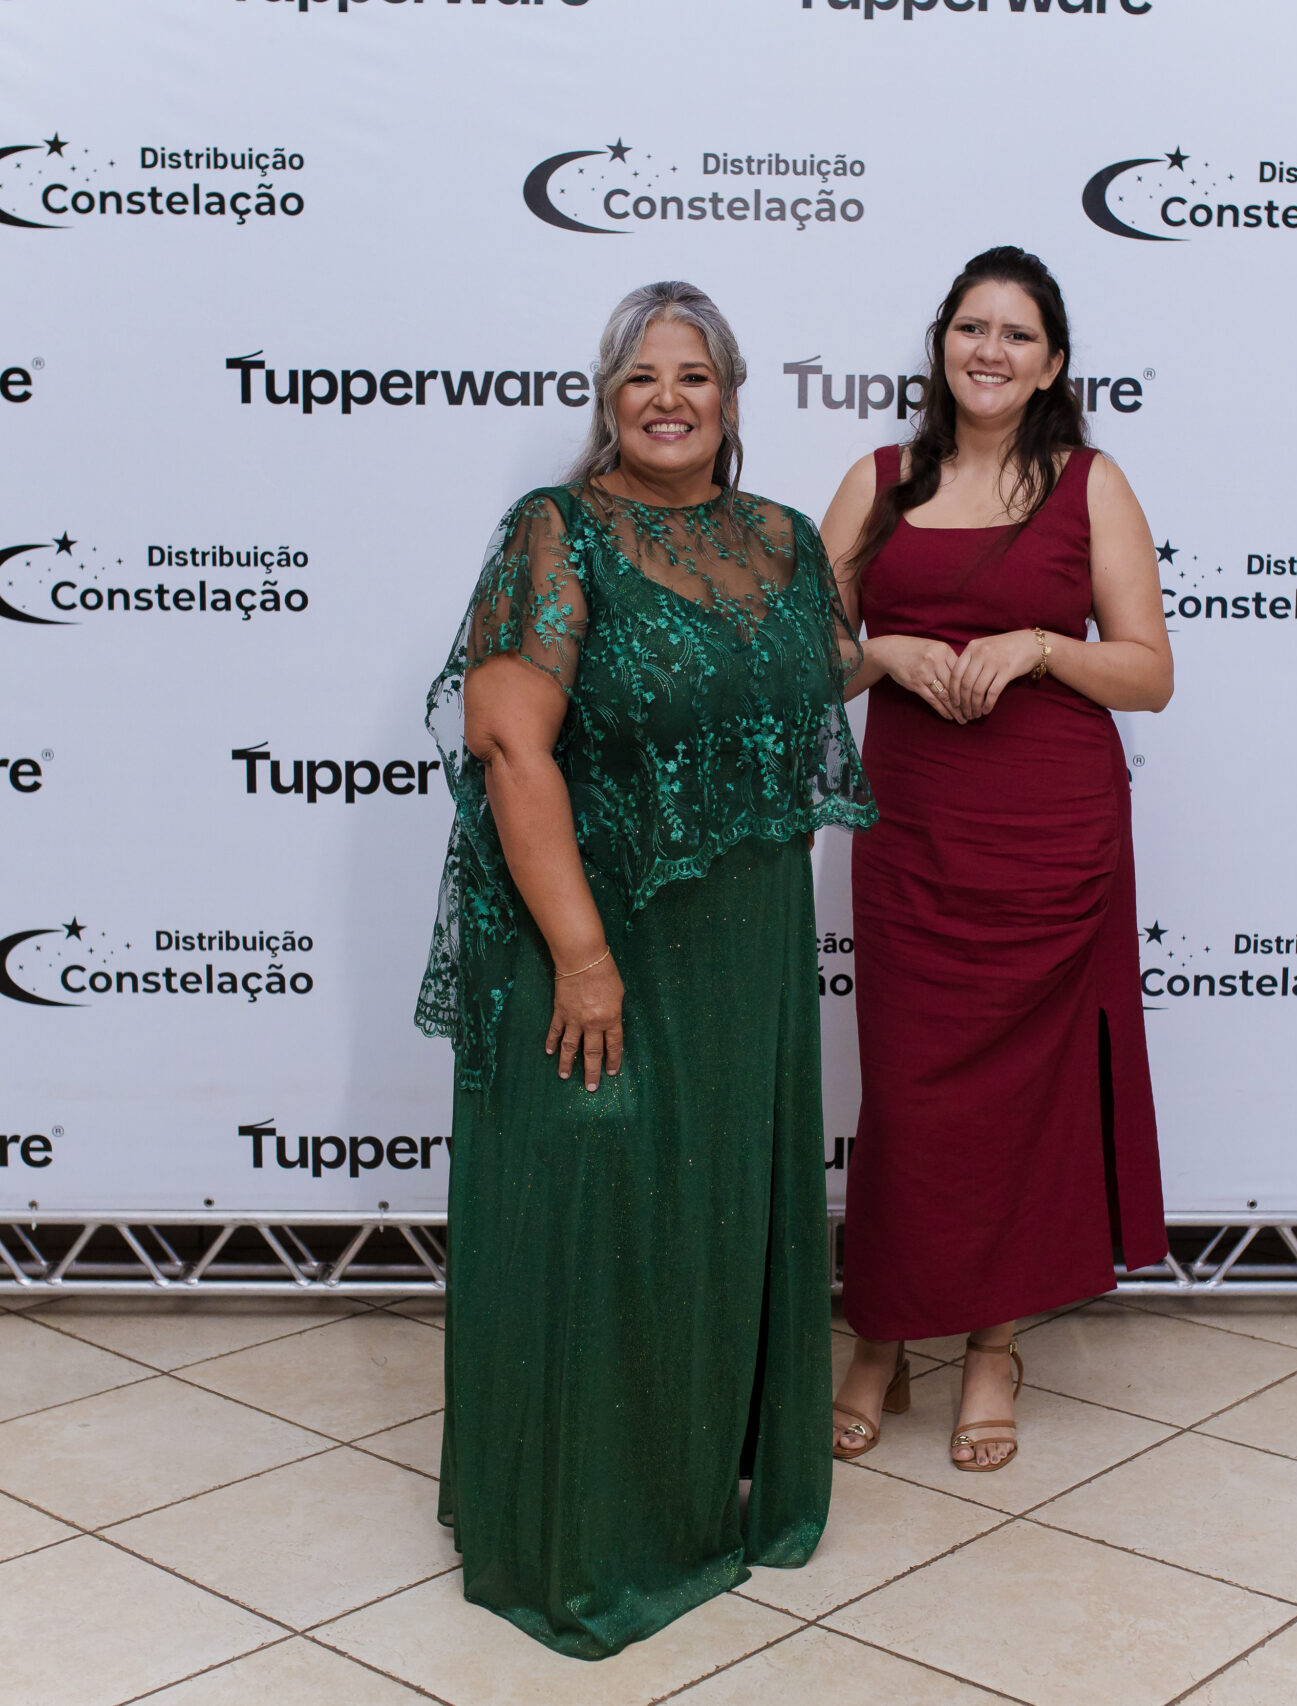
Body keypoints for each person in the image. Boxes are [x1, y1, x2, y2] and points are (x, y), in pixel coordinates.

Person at [415, 281, 874, 1656]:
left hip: (745, 937)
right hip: (597, 930)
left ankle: (703, 1478)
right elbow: (510, 742)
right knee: (600, 1210)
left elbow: (797, 674)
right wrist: (581, 956)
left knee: (715, 1207)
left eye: (694, 375)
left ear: (729, 397)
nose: (668, 399)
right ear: (608, 400)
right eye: (640, 378)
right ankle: (586, 1527)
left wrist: (911, 655)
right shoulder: (558, 532)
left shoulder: (781, 537)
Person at [820, 246, 1173, 1474]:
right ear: (941, 345)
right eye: (971, 326)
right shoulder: (875, 482)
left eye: (1017, 334)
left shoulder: (1091, 485)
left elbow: (1149, 673)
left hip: (1050, 833)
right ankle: (879, 1334)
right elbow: (798, 662)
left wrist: (1039, 645)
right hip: (913, 829)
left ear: (1053, 364)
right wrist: (883, 654)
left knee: (1021, 1101)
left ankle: (988, 1348)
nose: (990, 350)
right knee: (907, 1092)